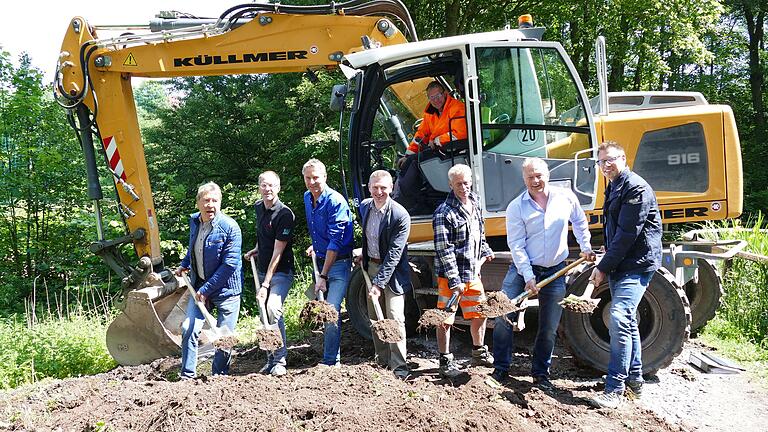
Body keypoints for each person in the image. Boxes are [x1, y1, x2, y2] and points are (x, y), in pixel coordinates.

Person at [491, 158, 595, 389]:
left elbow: (579, 222)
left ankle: (540, 374)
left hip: (556, 271)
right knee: (502, 316)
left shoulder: (565, 197)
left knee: (549, 327)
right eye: (530, 177)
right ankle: (501, 369)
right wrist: (529, 277)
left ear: (547, 174)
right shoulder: (516, 207)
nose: (536, 181)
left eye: (539, 175)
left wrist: (586, 247)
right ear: (524, 179)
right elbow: (516, 245)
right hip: (522, 270)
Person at [589, 142, 662, 409]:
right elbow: (615, 230)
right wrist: (606, 252)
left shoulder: (636, 188)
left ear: (623, 158)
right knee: (628, 322)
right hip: (621, 262)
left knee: (619, 317)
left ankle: (614, 389)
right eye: (601, 162)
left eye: (610, 160)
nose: (605, 166)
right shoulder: (614, 185)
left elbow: (628, 234)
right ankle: (634, 382)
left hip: (636, 264)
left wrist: (603, 266)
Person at [175, 181, 242, 379]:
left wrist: (205, 290)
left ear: (220, 203)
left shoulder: (230, 228)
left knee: (224, 336)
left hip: (226, 291)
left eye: (214, 200)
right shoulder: (195, 222)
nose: (210, 205)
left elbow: (229, 265)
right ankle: (187, 375)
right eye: (205, 200)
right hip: (199, 287)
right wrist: (184, 263)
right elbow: (193, 248)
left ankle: (219, 375)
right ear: (198, 203)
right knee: (189, 328)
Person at [432, 164, 494, 378]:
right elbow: (443, 248)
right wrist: (454, 279)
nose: (464, 187)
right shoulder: (444, 212)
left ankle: (478, 351)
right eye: (458, 184)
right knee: (445, 318)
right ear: (450, 185)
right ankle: (445, 359)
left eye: (466, 183)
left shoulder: (475, 203)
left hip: (472, 272)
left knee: (480, 313)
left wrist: (485, 250)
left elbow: (480, 233)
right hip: (451, 277)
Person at [359, 170, 412, 379]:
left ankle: (400, 367)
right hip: (371, 266)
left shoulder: (400, 215)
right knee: (375, 318)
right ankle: (382, 361)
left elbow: (394, 254)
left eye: (383, 188)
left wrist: (378, 284)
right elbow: (369, 237)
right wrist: (361, 254)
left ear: (391, 188)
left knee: (395, 318)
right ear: (369, 187)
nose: (379, 192)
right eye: (375, 187)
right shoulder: (365, 207)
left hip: (393, 273)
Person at [303, 158, 354, 367]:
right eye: (308, 178)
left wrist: (323, 276)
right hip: (321, 259)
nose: (312, 182)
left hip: (339, 264)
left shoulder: (336, 201)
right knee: (319, 307)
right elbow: (317, 229)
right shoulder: (307, 197)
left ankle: (331, 361)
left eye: (316, 177)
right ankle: (326, 353)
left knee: (331, 310)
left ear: (324, 177)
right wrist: (315, 246)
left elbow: (336, 242)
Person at [244, 171, 295, 377]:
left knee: (273, 308)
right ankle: (270, 358)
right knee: (264, 314)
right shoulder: (258, 207)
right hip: (263, 269)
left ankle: (280, 360)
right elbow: (264, 235)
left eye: (272, 185)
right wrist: (257, 248)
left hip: (281, 272)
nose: (268, 189)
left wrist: (265, 284)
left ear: (279, 187)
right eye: (264, 185)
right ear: (259, 187)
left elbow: (278, 251)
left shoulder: (285, 214)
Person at [394, 81, 467, 212]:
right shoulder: (430, 112)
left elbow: (460, 134)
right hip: (438, 149)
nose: (435, 100)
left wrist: (438, 140)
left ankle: (402, 203)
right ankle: (411, 201)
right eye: (432, 97)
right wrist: (407, 155)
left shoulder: (457, 107)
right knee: (409, 161)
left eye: (438, 96)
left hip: (451, 151)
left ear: (444, 94)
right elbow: (421, 134)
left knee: (415, 162)